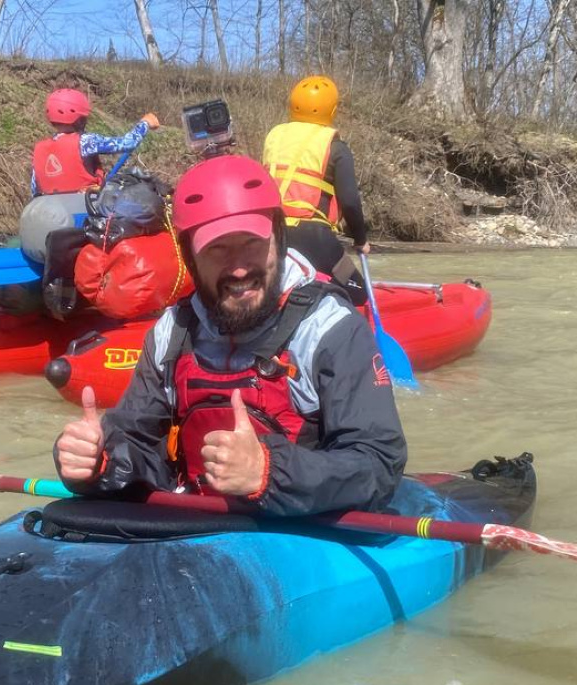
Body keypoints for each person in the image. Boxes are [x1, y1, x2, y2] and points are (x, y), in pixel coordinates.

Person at [54, 155, 406, 517]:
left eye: (251, 243)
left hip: (301, 531)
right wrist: (99, 459)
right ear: (191, 258)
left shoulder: (331, 331)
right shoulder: (170, 333)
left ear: (278, 239)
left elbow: (378, 463)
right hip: (196, 529)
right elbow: (141, 445)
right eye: (218, 249)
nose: (239, 267)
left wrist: (268, 472)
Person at [262, 75, 369, 305]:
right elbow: (350, 201)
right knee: (360, 294)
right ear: (332, 111)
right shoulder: (336, 147)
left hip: (271, 233)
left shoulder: (274, 138)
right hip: (314, 237)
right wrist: (361, 240)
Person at [31, 88, 160, 196]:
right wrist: (145, 123)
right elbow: (128, 143)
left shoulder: (39, 149)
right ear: (80, 120)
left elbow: (35, 189)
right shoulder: (86, 141)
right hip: (83, 210)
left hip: (49, 212)